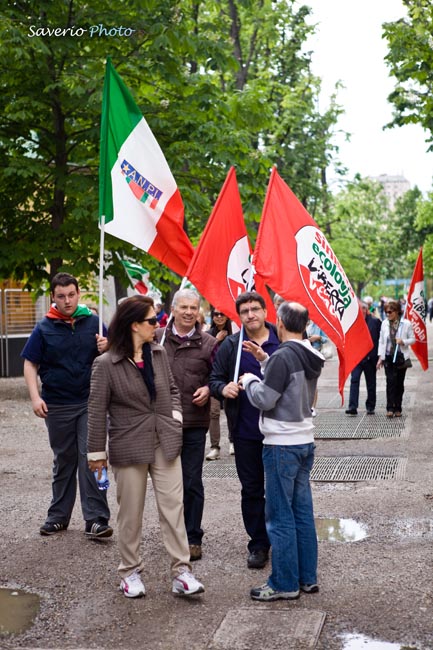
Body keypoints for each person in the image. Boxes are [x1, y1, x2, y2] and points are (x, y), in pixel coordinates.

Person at [87, 296, 204, 598]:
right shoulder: (105, 363)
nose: (158, 324)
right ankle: (129, 571)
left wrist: (175, 417)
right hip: (129, 444)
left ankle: (181, 571)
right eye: (153, 320)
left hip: (164, 440)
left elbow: (173, 389)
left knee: (174, 509)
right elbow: (97, 411)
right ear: (134, 325)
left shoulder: (159, 352)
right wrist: (96, 454)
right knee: (131, 513)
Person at [239, 301, 324, 601]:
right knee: (302, 512)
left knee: (279, 516)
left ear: (281, 323)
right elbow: (291, 386)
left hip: (281, 444)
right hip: (303, 440)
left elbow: (266, 398)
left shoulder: (283, 356)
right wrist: (265, 361)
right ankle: (307, 578)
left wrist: (249, 380)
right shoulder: (310, 352)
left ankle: (284, 583)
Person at [21, 272, 112, 539]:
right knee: (64, 460)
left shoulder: (94, 322)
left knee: (93, 458)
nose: (67, 300)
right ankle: (58, 517)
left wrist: (107, 346)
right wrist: (35, 397)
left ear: (79, 293)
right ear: (53, 297)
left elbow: (116, 354)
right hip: (57, 405)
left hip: (91, 402)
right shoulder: (44, 327)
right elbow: (30, 363)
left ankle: (96, 519)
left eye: (71, 294)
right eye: (61, 296)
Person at [209, 291, 280, 569]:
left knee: (279, 489)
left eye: (255, 309)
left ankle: (282, 539)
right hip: (246, 432)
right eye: (245, 311)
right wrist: (222, 388)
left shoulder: (282, 340)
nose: (250, 315)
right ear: (238, 317)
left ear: (265, 312)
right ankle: (258, 543)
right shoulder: (231, 346)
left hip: (280, 432)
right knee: (252, 490)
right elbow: (214, 378)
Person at [155, 289, 217, 562]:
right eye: (184, 307)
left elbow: (218, 377)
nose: (189, 312)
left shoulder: (209, 343)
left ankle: (193, 537)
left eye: (194, 307)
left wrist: (208, 389)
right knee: (167, 484)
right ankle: (172, 535)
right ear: (174, 309)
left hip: (193, 421)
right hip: (161, 422)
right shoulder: (156, 339)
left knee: (191, 481)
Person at [377, 299, 415, 418]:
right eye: (386, 312)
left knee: (399, 383)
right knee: (390, 383)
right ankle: (390, 408)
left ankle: (398, 407)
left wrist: (403, 341)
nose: (388, 314)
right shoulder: (384, 323)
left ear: (397, 312)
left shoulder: (406, 324)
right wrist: (380, 358)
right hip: (389, 357)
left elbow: (413, 339)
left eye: (390, 312)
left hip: (401, 358)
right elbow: (381, 341)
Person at [205, 309, 233, 461]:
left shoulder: (235, 333)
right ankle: (215, 447)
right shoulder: (208, 334)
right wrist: (216, 339)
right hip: (213, 378)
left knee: (231, 410)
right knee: (213, 412)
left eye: (222, 313)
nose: (219, 317)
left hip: (230, 378)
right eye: (216, 314)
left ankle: (233, 440)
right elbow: (204, 353)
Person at [345, 300, 382, 416]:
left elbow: (381, 340)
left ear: (366, 310)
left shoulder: (375, 322)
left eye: (363, 309)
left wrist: (380, 356)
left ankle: (370, 407)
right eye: (358, 310)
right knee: (354, 380)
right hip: (357, 359)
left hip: (371, 359)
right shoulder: (352, 323)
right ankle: (352, 407)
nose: (361, 312)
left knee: (371, 383)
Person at [306, 320, 328, 416]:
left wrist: (317, 337)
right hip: (303, 353)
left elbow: (325, 339)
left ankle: (312, 407)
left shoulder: (318, 324)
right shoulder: (301, 322)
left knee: (313, 381)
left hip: (315, 354)